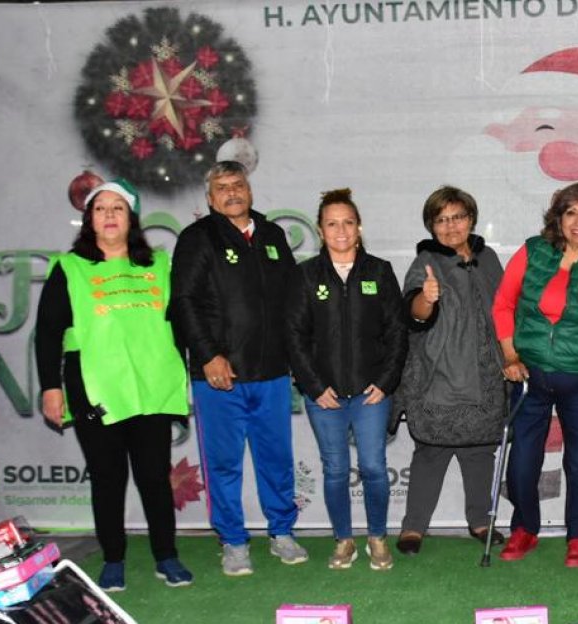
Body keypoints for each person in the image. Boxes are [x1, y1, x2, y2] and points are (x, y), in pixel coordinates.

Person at [35, 180, 192, 591]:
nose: (108, 215)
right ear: (89, 219)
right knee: (107, 477)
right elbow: (48, 332)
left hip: (151, 389)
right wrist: (51, 387)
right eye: (100, 208)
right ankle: (113, 558)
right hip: (94, 389)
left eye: (117, 208)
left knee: (155, 476)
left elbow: (179, 324)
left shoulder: (157, 265)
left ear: (131, 218)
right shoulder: (70, 267)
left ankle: (166, 555)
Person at [170, 161, 307, 576]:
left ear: (249, 190)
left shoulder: (271, 235)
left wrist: (298, 358)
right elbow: (184, 302)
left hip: (272, 374)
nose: (232, 192)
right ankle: (232, 540)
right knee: (223, 463)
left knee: (277, 459)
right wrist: (208, 355)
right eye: (222, 187)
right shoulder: (198, 238)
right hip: (220, 378)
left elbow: (291, 301)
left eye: (238, 184)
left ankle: (281, 532)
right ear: (210, 198)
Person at [492, 182, 578, 567]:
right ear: (558, 217)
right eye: (571, 213)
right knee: (522, 460)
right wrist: (510, 354)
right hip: (530, 375)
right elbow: (503, 304)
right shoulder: (533, 252)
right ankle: (524, 529)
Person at [288, 188, 407, 571]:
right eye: (332, 224)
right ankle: (343, 541)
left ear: (359, 227)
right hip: (324, 396)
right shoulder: (305, 275)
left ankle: (376, 537)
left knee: (373, 466)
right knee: (335, 469)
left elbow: (397, 334)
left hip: (371, 394)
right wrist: (313, 385)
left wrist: (386, 381)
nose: (341, 231)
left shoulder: (380, 271)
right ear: (320, 231)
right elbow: (295, 336)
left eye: (348, 222)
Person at [394, 186, 506, 554]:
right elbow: (414, 314)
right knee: (430, 452)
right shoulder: (425, 260)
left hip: (487, 373)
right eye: (440, 220)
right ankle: (414, 527)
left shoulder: (488, 259)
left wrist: (513, 358)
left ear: (471, 219)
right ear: (431, 226)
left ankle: (480, 520)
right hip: (440, 373)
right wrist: (426, 298)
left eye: (457, 217)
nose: (450, 226)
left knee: (480, 451)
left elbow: (504, 312)